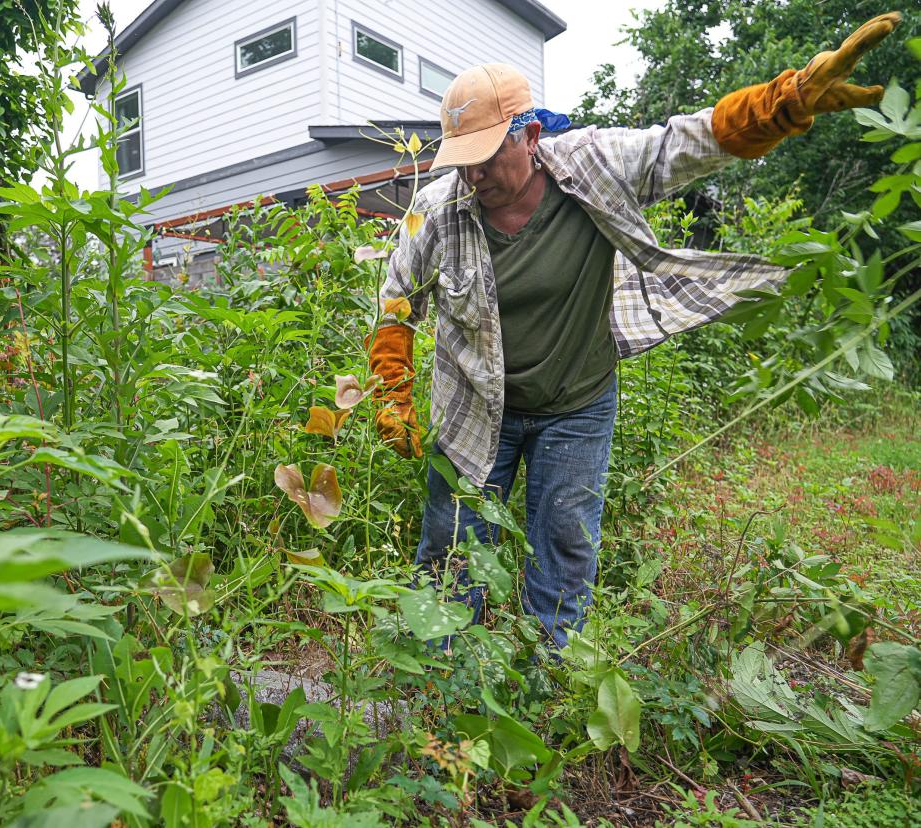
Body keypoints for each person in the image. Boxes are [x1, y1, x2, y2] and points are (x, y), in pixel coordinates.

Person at [366, 13, 902, 649]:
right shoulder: (439, 207)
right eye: (462, 160)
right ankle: (442, 671)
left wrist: (782, 104)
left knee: (564, 543)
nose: (472, 175)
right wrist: (390, 386)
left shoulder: (593, 164)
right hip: (474, 403)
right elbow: (396, 294)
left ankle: (549, 672)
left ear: (529, 135)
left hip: (577, 404)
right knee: (453, 541)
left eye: (485, 157)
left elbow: (683, 143)